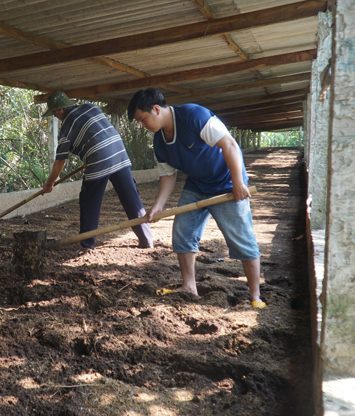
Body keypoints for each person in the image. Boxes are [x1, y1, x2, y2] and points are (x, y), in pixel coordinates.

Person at [127, 88, 265, 308]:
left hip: (226, 183)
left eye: (143, 119)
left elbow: (229, 144)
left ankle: (255, 296)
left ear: (155, 109)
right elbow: (168, 176)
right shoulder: (160, 142)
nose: (143, 125)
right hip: (197, 185)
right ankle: (189, 286)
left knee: (242, 237)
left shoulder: (194, 116)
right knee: (183, 231)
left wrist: (238, 182)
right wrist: (158, 206)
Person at [41, 92, 153, 250]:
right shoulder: (90, 107)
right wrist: (89, 156)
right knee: (131, 198)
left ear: (61, 109)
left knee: (89, 200)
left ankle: (87, 244)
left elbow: (60, 161)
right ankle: (146, 240)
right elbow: (96, 132)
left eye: (54, 112)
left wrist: (50, 183)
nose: (55, 116)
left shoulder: (66, 128)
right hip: (119, 152)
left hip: (99, 158)